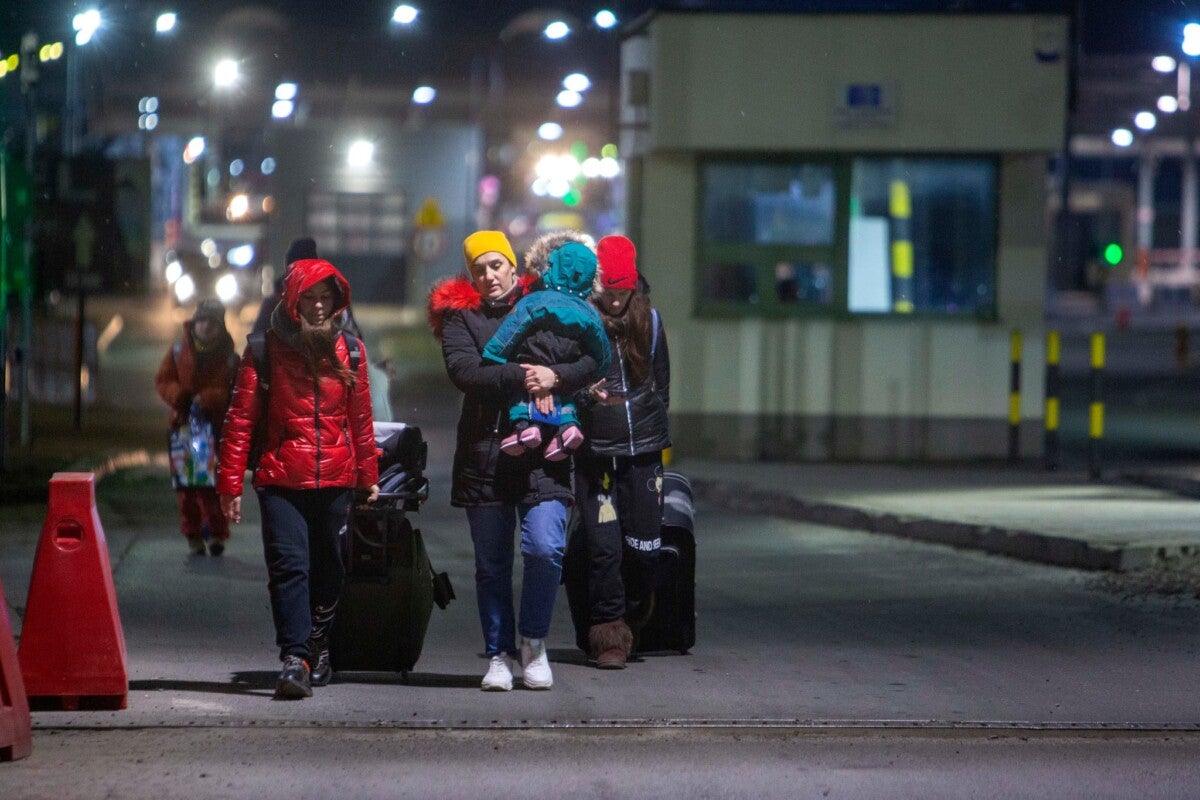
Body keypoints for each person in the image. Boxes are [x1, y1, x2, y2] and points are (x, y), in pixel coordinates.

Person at [427, 229, 599, 691]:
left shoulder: (545, 302)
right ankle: (499, 655)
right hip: (486, 453)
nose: (489, 276)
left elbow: (589, 358)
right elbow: (466, 371)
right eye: (479, 269)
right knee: (492, 564)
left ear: (511, 266)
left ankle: (534, 643)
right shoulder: (460, 318)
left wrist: (556, 375)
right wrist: (527, 377)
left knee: (546, 549)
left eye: (496, 265)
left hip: (545, 455)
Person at [218, 258, 379, 700]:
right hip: (280, 479)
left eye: (326, 297)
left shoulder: (352, 351)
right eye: (308, 297)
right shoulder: (264, 349)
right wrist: (229, 484)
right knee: (290, 567)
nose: (319, 306)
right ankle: (295, 658)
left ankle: (317, 645)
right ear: (292, 302)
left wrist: (369, 477)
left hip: (336, 479)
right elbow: (239, 421)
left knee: (331, 568)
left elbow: (361, 420)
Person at [568, 235, 671, 670]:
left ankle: (631, 616)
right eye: (608, 290)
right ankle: (608, 634)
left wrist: (653, 425)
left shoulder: (651, 322)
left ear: (634, 286)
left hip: (644, 450)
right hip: (596, 454)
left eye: (622, 291)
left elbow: (662, 385)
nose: (614, 300)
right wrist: (587, 402)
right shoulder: (582, 321)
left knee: (645, 547)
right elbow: (571, 384)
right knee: (603, 548)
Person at [482, 239, 610, 461]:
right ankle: (568, 428)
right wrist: (601, 366)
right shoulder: (588, 312)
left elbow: (514, 327)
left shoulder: (536, 299)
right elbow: (601, 346)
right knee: (566, 397)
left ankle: (524, 428)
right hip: (566, 362)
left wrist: (495, 354)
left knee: (520, 396)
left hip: (532, 358)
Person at [155, 299, 240, 557]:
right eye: (202, 321)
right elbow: (163, 380)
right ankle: (192, 534)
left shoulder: (230, 358)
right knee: (186, 486)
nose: (207, 328)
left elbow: (236, 392)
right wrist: (178, 395)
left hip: (214, 429)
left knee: (212, 485)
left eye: (213, 323)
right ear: (194, 323)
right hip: (183, 428)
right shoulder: (179, 349)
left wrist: (211, 398)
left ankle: (216, 532)